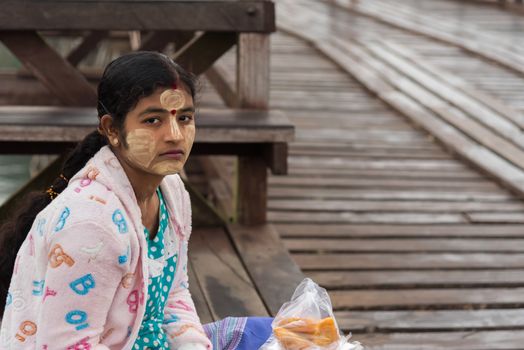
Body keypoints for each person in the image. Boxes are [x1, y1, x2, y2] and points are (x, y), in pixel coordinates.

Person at [0, 52, 272, 350]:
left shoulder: (171, 192)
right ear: (113, 129)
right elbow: (67, 345)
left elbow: (174, 295)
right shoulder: (92, 226)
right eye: (152, 120)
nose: (174, 135)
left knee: (289, 333)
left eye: (184, 118)